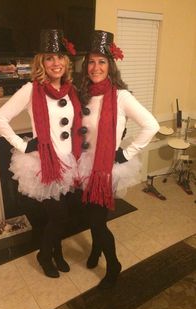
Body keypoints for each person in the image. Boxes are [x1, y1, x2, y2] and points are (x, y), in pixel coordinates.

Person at [0, 29, 82, 278]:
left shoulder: (70, 91)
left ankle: (58, 252)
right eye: (50, 58)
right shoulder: (31, 90)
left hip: (68, 161)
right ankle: (44, 255)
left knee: (61, 216)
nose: (56, 63)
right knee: (59, 217)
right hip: (46, 163)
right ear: (42, 62)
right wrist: (22, 145)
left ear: (66, 62)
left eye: (60, 57)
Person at [78, 30, 160, 289]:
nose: (96, 67)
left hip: (106, 169)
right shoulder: (83, 93)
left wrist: (126, 152)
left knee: (97, 221)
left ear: (110, 66)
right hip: (84, 166)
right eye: (91, 62)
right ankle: (95, 251)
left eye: (102, 62)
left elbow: (151, 125)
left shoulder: (121, 96)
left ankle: (113, 264)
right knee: (92, 217)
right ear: (85, 66)